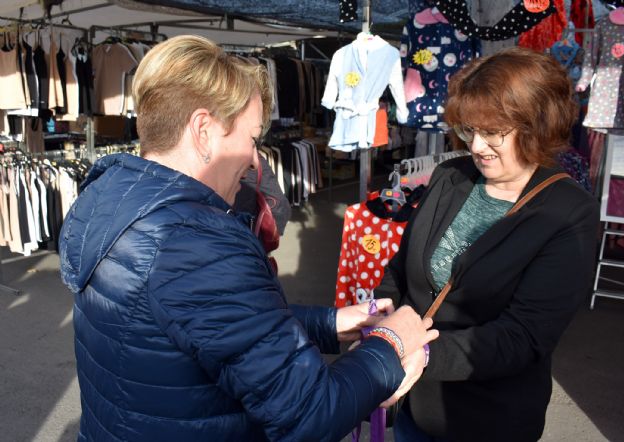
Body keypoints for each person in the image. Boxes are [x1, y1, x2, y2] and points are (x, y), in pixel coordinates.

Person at [58, 35, 438, 442]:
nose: (257, 159)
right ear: (203, 130)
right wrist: (390, 345)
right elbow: (309, 415)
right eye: (253, 138)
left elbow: (208, 323)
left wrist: (330, 323)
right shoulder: (195, 244)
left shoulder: (114, 194)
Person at [386, 47, 600, 442]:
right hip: (414, 409)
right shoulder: (450, 176)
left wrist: (422, 355)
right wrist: (384, 315)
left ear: (538, 124)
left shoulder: (569, 213)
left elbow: (525, 335)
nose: (477, 146)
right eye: (469, 130)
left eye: (493, 132)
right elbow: (402, 267)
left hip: (491, 420)